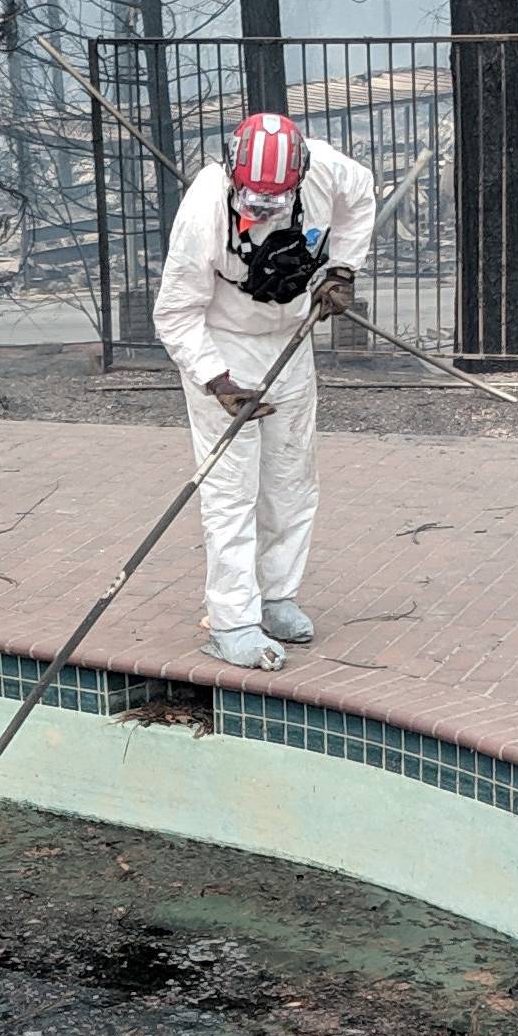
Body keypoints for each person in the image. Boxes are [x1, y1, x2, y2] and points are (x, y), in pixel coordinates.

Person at [153, 112, 375, 669]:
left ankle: (278, 595)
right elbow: (176, 314)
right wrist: (218, 382)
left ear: (299, 177)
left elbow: (363, 195)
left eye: (275, 200)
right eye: (252, 199)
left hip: (289, 339)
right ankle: (232, 621)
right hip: (223, 346)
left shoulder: (326, 170)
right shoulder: (204, 210)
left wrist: (343, 269)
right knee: (231, 489)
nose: (261, 210)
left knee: (290, 478)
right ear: (231, 173)